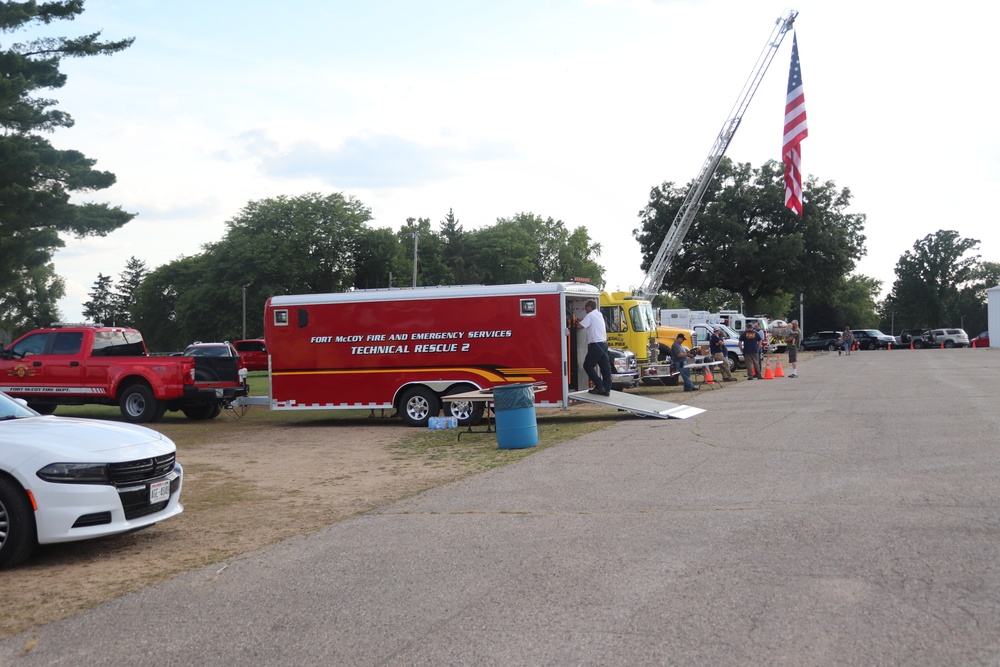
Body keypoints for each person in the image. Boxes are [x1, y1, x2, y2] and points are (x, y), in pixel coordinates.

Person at [575, 299, 612, 396]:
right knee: (605, 368)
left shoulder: (590, 315)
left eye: (585, 308)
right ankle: (606, 389)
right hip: (603, 344)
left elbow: (579, 326)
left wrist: (577, 322)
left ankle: (599, 385)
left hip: (596, 344)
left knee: (587, 365)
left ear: (589, 307)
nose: (585, 310)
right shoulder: (599, 315)